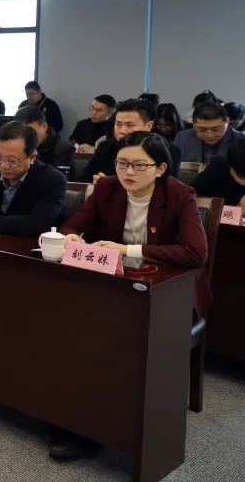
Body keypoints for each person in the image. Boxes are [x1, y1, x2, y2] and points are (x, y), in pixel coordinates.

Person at [55, 131, 208, 461]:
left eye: (139, 165)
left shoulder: (180, 195)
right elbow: (71, 226)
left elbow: (195, 253)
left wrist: (129, 249)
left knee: (111, 340)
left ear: (160, 168)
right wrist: (72, 239)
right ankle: (74, 415)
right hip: (117, 286)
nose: (128, 172)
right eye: (122, 163)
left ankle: (95, 430)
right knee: (68, 326)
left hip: (169, 296)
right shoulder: (108, 188)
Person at [78, 98, 180, 182]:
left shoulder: (168, 151)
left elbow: (167, 187)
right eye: (118, 124)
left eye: (129, 125)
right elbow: (83, 179)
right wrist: (96, 181)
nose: (122, 131)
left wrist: (112, 185)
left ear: (148, 126)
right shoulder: (106, 146)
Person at [173, 102, 245, 164]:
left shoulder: (241, 140)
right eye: (202, 129)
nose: (209, 135)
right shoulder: (182, 138)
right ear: (193, 124)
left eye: (216, 129)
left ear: (227, 122)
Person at [15, 105, 74, 169]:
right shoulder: (17, 145)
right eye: (21, 132)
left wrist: (32, 153)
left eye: (31, 131)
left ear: (44, 127)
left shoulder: (63, 149)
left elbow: (56, 175)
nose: (27, 136)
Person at [191, 138, 245, 206]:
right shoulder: (217, 168)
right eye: (242, 177)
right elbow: (191, 194)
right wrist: (236, 204)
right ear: (230, 167)